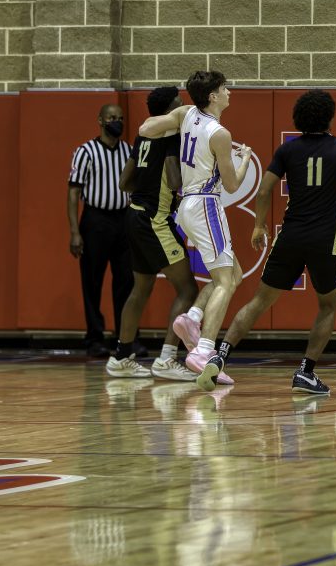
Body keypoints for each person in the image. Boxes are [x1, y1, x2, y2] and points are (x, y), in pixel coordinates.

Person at [197, 90, 336, 392]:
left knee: (259, 301)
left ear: (298, 118)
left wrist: (259, 226)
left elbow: (264, 190)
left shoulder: (288, 150)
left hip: (289, 237)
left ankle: (220, 356)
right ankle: (305, 372)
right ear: (330, 117)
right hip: (324, 241)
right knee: (328, 306)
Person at [138, 70, 252, 380]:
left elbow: (145, 128)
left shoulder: (186, 113)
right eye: (224, 89)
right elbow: (231, 185)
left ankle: (192, 317)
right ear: (213, 96)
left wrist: (175, 131)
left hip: (186, 205)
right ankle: (204, 349)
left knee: (233, 274)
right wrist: (244, 160)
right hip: (205, 204)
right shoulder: (219, 133)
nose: (229, 92)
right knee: (225, 282)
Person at [104, 86, 213, 382]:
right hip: (155, 220)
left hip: (134, 214)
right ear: (169, 110)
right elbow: (175, 179)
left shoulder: (143, 136)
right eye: (179, 104)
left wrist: (149, 183)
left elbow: (125, 182)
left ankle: (121, 356)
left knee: (140, 289)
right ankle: (166, 358)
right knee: (188, 290)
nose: (184, 108)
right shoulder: (171, 136)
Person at [68, 103, 138, 359]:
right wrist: (75, 232)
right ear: (100, 121)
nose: (116, 121)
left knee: (126, 282)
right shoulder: (85, 151)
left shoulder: (129, 151)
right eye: (111, 118)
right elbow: (73, 193)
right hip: (95, 220)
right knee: (92, 280)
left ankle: (125, 339)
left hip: (123, 220)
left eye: (120, 118)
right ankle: (94, 338)